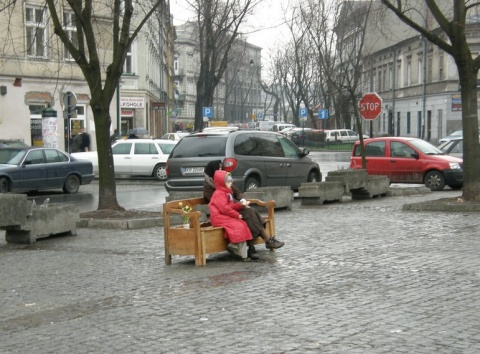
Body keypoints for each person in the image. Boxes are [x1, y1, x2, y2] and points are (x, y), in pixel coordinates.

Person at [204, 160, 284, 260]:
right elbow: (221, 205)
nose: (220, 170)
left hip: (234, 207)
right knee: (249, 214)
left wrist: (242, 200)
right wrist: (238, 205)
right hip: (225, 213)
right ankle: (259, 243)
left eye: (221, 168)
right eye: (218, 169)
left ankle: (259, 244)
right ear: (212, 171)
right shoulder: (210, 187)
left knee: (251, 212)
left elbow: (237, 191)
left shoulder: (225, 180)